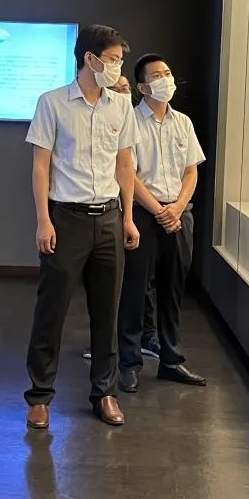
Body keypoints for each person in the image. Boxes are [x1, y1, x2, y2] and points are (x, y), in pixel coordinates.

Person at [24, 24, 140, 429]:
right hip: (66, 218)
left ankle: (105, 392)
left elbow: (124, 163)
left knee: (108, 310)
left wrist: (128, 216)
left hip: (108, 216)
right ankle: (40, 395)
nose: (117, 66)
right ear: (89, 59)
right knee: (51, 309)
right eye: (112, 59)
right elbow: (41, 165)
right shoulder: (52, 102)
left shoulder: (120, 106)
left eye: (120, 60)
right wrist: (43, 220)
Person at [116, 54, 207, 393]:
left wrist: (178, 208)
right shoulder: (129, 121)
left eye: (167, 73)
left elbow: (191, 171)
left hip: (179, 215)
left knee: (173, 290)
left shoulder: (183, 122)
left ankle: (171, 360)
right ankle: (129, 364)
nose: (166, 79)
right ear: (142, 87)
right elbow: (128, 174)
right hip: (143, 214)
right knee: (135, 290)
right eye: (157, 75)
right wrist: (159, 211)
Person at [79, 73, 158, 362]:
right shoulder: (96, 120)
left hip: (136, 212)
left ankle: (141, 338)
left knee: (139, 283)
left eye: (126, 88)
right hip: (109, 210)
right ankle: (106, 343)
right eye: (117, 88)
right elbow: (124, 170)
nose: (123, 93)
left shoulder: (136, 121)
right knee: (106, 286)